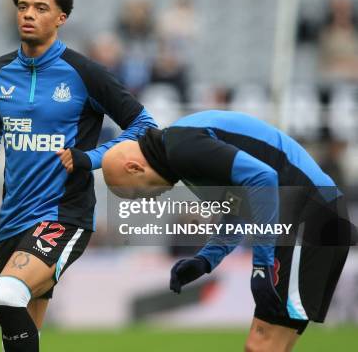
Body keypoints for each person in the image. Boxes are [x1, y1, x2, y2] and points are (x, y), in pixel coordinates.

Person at [0, 0, 156, 352]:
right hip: (12, 218)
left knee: (7, 293)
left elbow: (144, 126)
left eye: (40, 8)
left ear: (61, 18)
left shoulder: (85, 73)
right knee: (20, 333)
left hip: (63, 214)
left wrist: (90, 158)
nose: (28, 14)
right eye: (23, 7)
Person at [101, 110, 353, 352]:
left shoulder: (183, 149)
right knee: (269, 346)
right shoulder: (180, 148)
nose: (145, 200)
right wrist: (206, 259)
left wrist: (261, 264)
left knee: (262, 346)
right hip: (313, 218)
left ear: (135, 168)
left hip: (309, 220)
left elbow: (263, 179)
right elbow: (240, 206)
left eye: (136, 194)